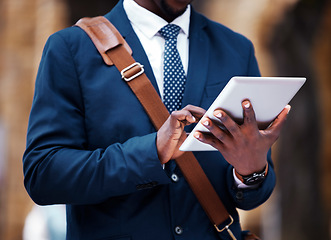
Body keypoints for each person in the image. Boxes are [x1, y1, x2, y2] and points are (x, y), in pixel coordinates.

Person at [23, 0, 290, 239]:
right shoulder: (69, 48)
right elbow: (43, 174)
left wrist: (251, 171)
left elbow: (254, 195)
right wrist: (151, 152)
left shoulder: (237, 49)